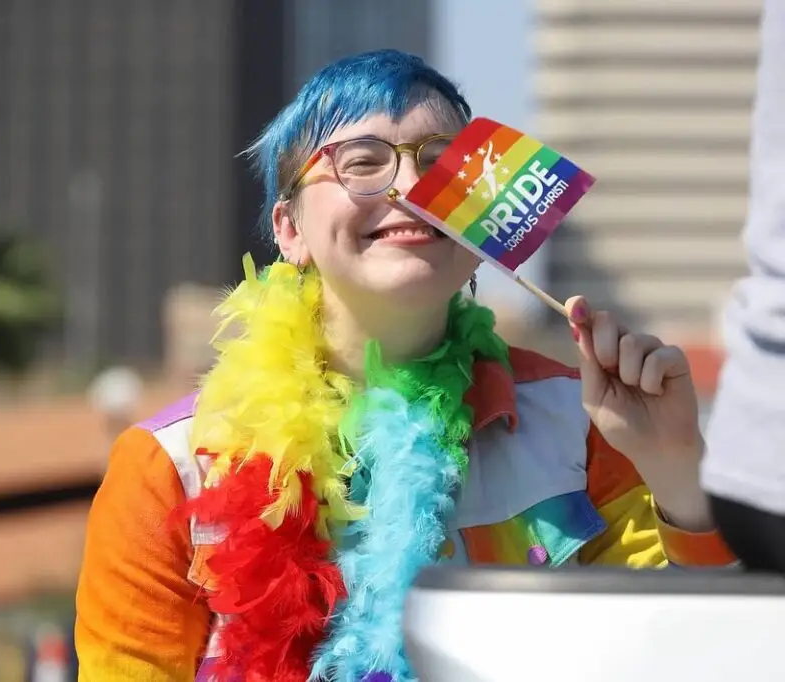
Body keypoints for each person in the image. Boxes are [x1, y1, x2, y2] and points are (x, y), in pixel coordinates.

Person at [74, 49, 735, 682]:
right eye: (362, 162)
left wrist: (677, 473)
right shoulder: (171, 468)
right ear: (290, 230)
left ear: (481, 226)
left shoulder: (583, 426)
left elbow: (701, 657)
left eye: (442, 164)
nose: (413, 188)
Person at [703, 0, 785, 573]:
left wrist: (668, 459)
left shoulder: (555, 406)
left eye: (437, 159)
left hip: (755, 455)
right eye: (364, 161)